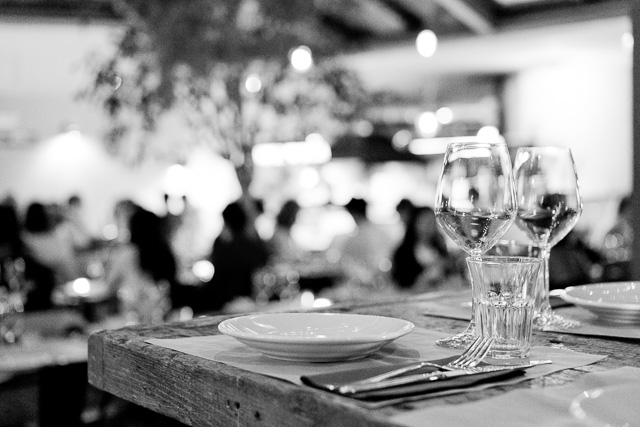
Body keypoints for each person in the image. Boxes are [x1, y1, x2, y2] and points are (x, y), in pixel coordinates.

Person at [105, 206, 177, 324]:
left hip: (131, 318)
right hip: (163, 318)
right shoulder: (165, 253)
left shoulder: (127, 254)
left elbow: (109, 286)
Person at [200, 201, 269, 313]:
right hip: (253, 301)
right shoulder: (255, 246)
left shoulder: (223, 246)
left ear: (226, 222)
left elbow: (217, 282)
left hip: (225, 303)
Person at [391, 206, 456, 292]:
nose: (429, 226)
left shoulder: (439, 248)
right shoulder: (403, 252)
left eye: (432, 222)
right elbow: (400, 286)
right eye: (425, 222)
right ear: (414, 223)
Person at [266, 199, 304, 264]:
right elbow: (285, 257)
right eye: (296, 215)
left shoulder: (286, 233)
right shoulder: (279, 235)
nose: (297, 219)